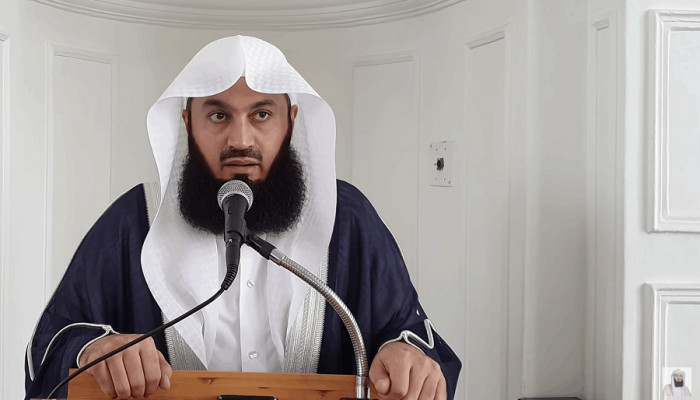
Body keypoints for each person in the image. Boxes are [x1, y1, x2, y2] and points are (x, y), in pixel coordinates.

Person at [24, 35, 461, 400]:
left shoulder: (346, 219)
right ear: (187, 124)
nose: (240, 139)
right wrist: (94, 350)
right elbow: (50, 346)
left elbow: (408, 334)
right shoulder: (136, 220)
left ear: (291, 122)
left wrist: (406, 357)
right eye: (218, 115)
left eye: (261, 114)